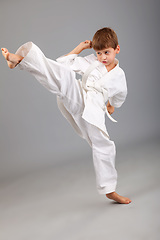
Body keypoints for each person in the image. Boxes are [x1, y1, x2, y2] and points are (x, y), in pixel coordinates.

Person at [1, 27, 131, 204]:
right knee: (63, 76)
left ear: (117, 49)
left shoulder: (119, 75)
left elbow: (120, 94)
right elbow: (63, 63)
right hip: (79, 94)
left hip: (94, 109)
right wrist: (79, 48)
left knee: (104, 145)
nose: (103, 58)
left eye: (106, 52)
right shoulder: (93, 61)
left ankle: (109, 189)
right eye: (99, 53)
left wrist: (111, 106)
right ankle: (21, 60)